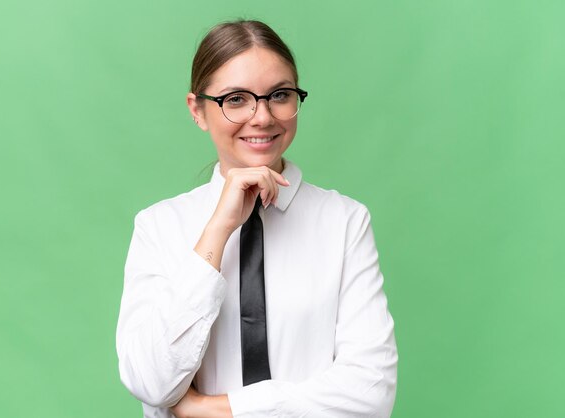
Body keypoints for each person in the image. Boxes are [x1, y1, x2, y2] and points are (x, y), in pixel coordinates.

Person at [116, 20, 398, 418]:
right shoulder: (159, 227)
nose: (262, 117)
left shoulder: (345, 222)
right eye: (236, 99)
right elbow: (149, 380)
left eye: (279, 95)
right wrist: (219, 228)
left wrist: (211, 409)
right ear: (198, 110)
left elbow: (371, 393)